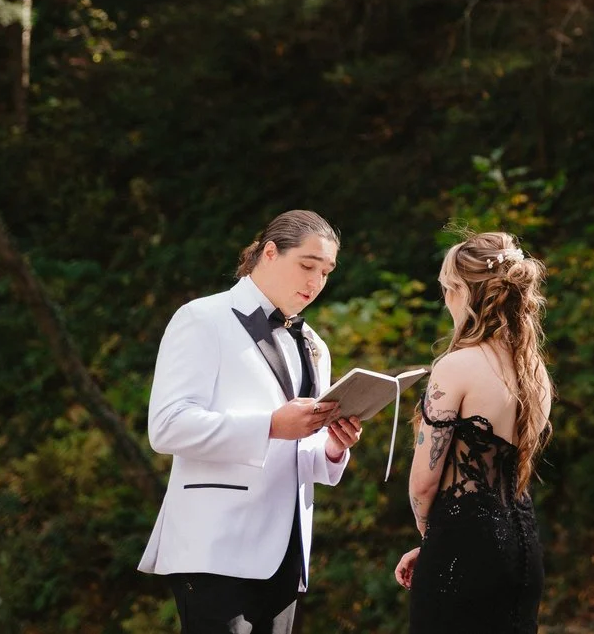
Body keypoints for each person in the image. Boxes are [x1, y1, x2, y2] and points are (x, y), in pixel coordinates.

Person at [140, 209, 365, 634]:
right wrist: (270, 425)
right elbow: (167, 426)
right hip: (213, 547)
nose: (315, 282)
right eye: (307, 266)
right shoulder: (202, 318)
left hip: (287, 552)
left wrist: (333, 447)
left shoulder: (315, 344)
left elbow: (304, 453)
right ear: (269, 253)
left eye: (326, 272)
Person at [393, 230, 552, 634]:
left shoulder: (457, 366)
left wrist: (435, 543)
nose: (446, 300)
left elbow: (423, 486)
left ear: (467, 293)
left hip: (464, 552)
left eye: (449, 288)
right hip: (523, 550)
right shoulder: (535, 371)